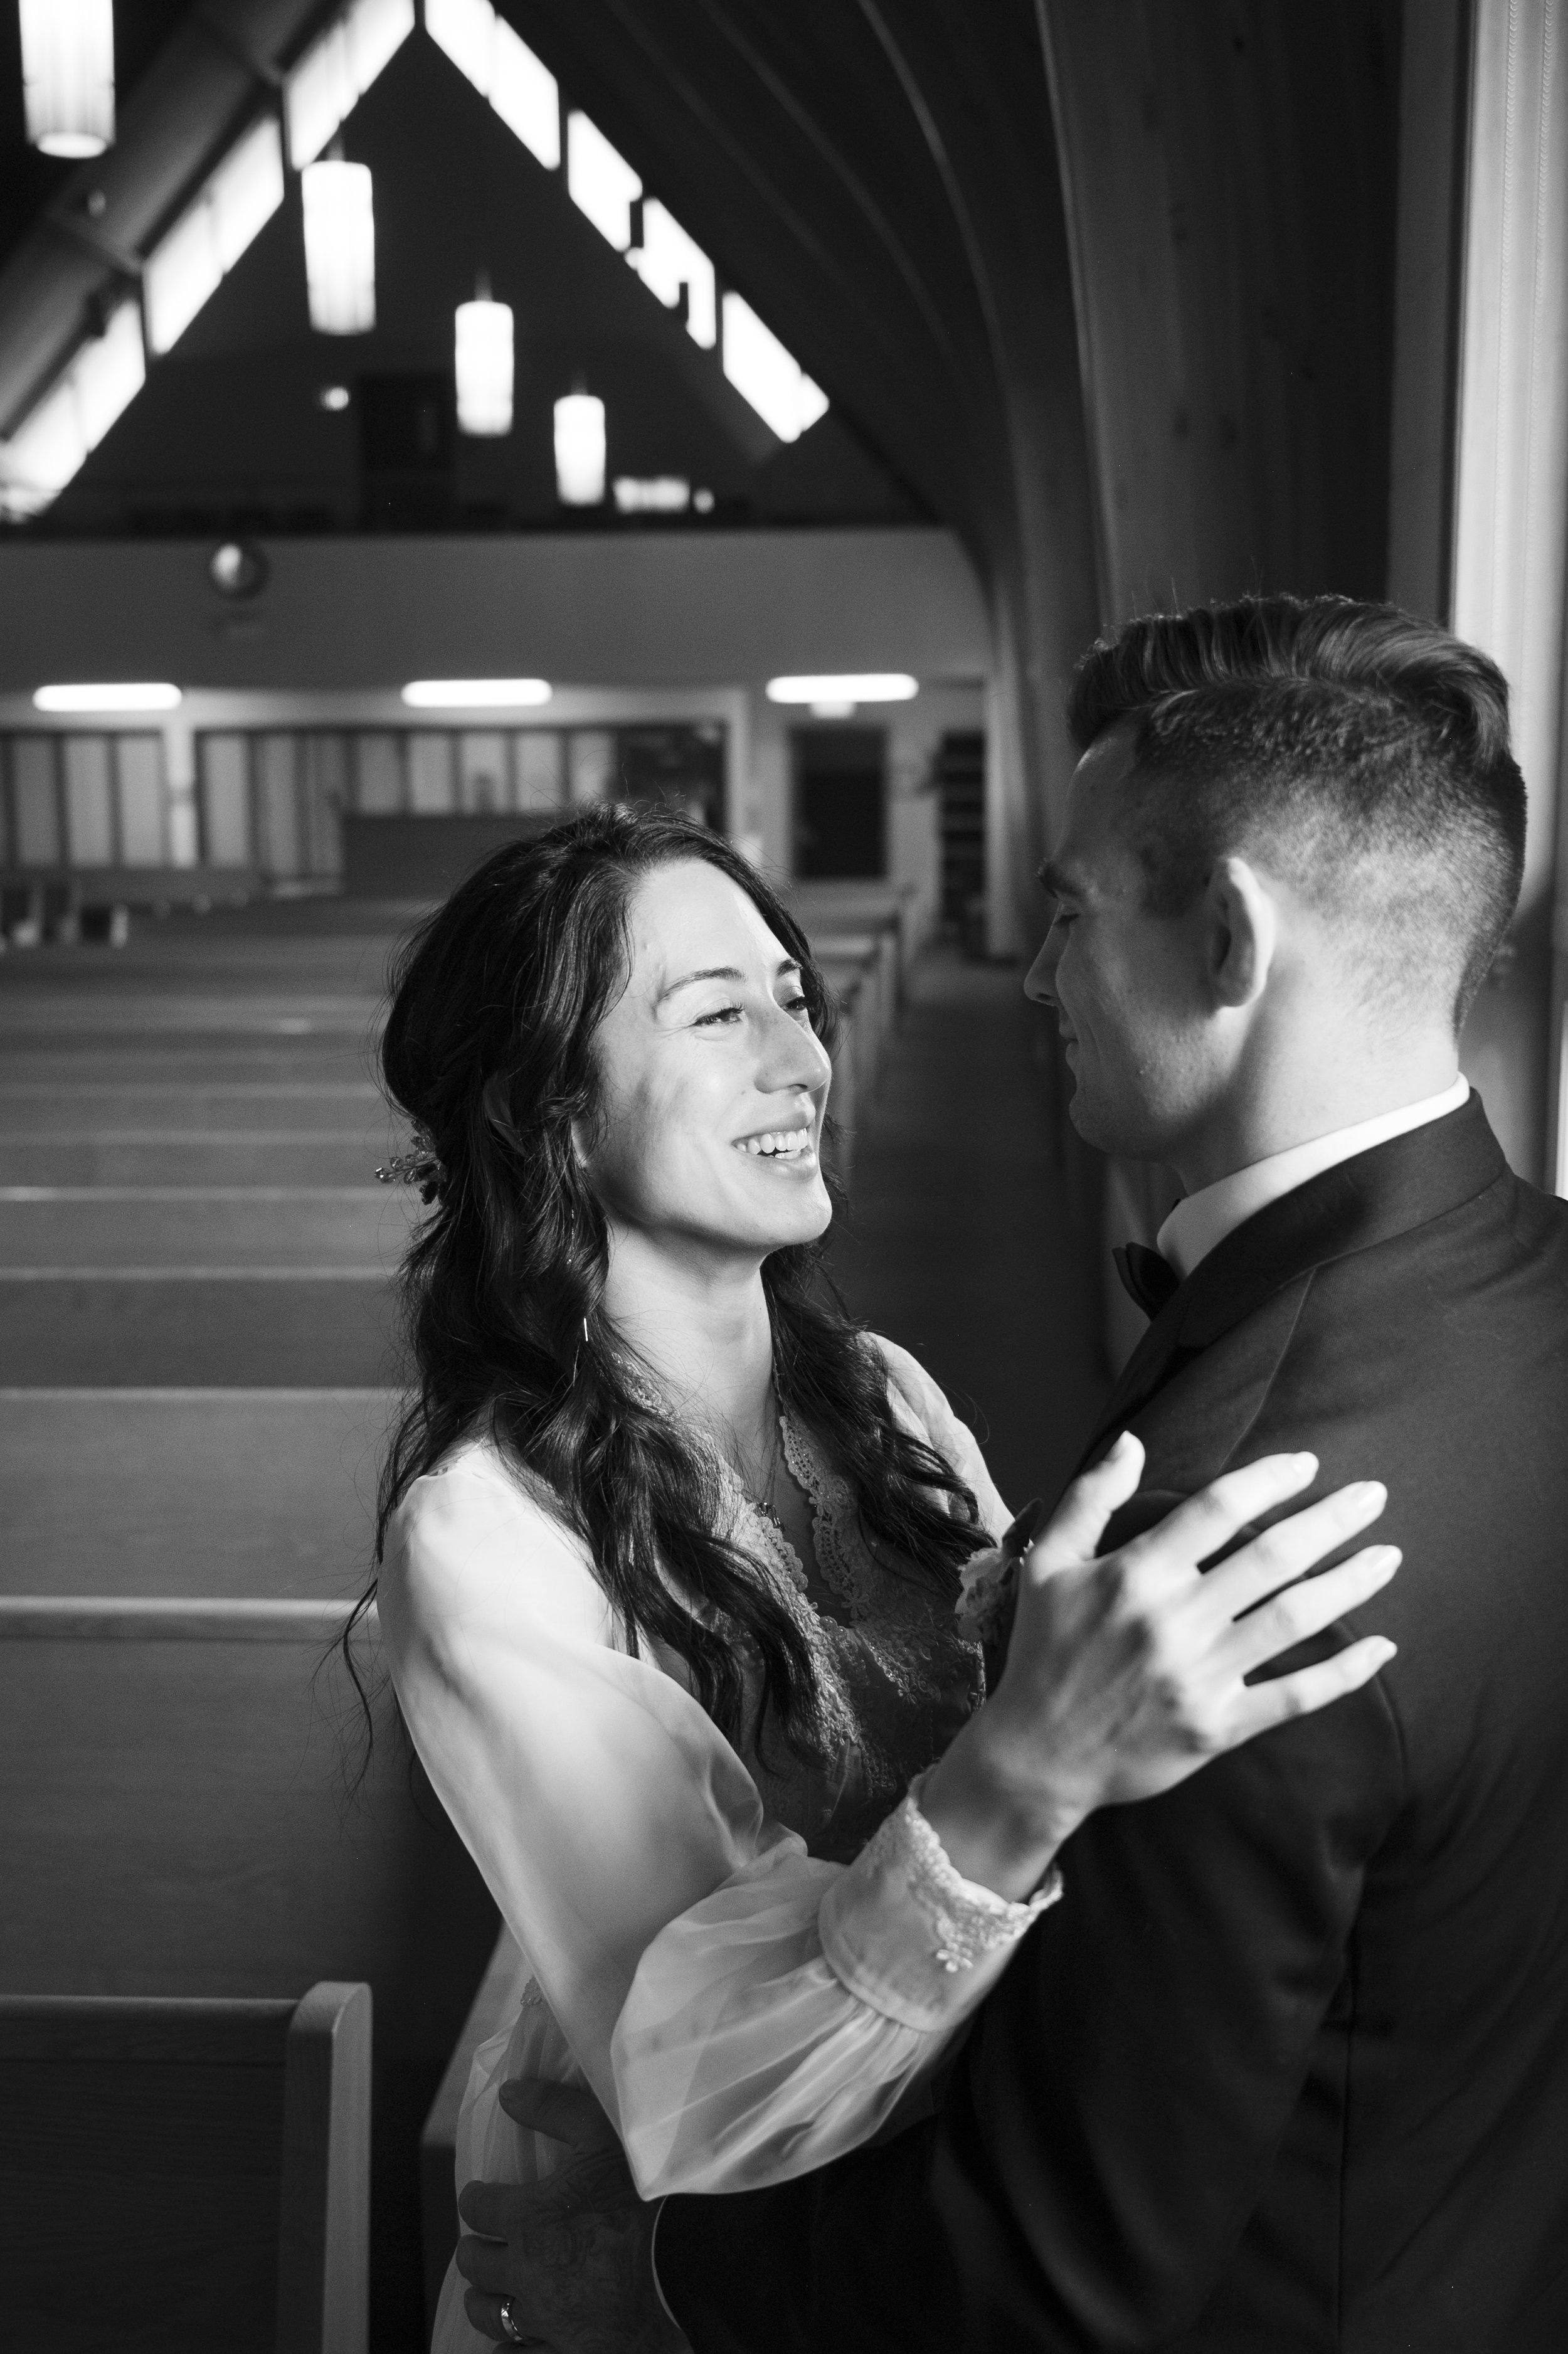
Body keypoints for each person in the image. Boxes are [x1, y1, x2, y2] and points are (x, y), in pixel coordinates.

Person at [463, 597, 1568, 2353]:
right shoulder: (1529, 1287)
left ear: (1226, 940)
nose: (1035, 975)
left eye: (1067, 918)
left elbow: (1043, 2283)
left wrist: (657, 2279)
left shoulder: (1221, 1545)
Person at [366, 802, 1398, 2354]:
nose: (800, 1060)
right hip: (698, 2259)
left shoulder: (882, 1394)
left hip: (922, 2220)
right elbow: (703, 2073)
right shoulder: (486, 1534)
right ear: (554, 1115)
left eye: (793, 996)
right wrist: (1029, 1762)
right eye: (718, 1015)